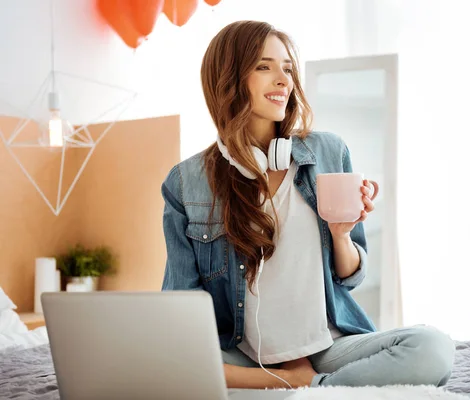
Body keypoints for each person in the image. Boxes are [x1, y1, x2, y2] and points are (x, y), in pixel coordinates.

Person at [161, 20, 455, 389]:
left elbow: (351, 276)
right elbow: (179, 309)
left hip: (326, 346)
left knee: (433, 348)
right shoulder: (187, 183)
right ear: (229, 78)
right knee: (164, 360)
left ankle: (312, 389)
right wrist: (286, 377)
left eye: (287, 68)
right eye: (264, 66)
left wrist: (342, 234)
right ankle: (298, 387)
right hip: (244, 353)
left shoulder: (327, 152)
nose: (283, 80)